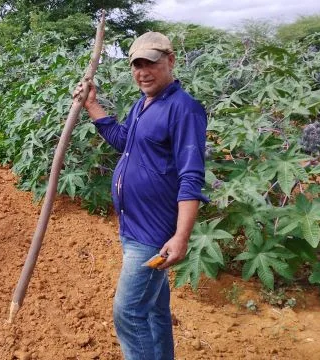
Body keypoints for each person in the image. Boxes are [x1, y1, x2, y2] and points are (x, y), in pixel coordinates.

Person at [75, 31, 209, 359]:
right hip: (132, 227)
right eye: (137, 64)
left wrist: (181, 236)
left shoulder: (184, 109)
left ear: (170, 61)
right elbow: (125, 142)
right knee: (153, 310)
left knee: (128, 311)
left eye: (151, 63)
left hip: (153, 235)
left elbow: (191, 176)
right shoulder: (142, 104)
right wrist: (92, 105)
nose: (143, 71)